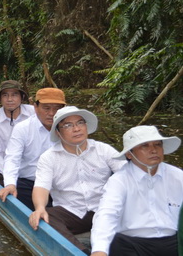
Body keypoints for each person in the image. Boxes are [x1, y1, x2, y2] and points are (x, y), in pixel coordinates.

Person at [28, 106, 125, 254]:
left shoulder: (103, 149)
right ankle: (80, 251)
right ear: (58, 133)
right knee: (47, 216)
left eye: (80, 123)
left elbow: (127, 174)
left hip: (104, 209)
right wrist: (39, 207)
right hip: (72, 212)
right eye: (68, 125)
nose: (76, 129)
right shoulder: (49, 157)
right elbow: (41, 186)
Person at [90, 125, 183, 256]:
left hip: (173, 242)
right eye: (145, 145)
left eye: (157, 145)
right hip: (132, 244)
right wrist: (99, 250)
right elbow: (107, 215)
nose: (153, 150)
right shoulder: (119, 180)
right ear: (129, 153)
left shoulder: (178, 176)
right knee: (116, 243)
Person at [0, 88, 65, 209]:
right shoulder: (23, 128)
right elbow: (12, 158)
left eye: (57, 109)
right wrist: (10, 184)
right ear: (36, 108)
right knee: (16, 190)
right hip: (30, 182)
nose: (52, 113)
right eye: (46, 108)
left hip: (60, 183)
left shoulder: (69, 127)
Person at [0, 80, 35, 185]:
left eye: (14, 95)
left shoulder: (34, 113)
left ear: (21, 97)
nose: (10, 99)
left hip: (34, 166)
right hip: (7, 168)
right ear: (0, 99)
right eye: (5, 95)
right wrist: (11, 176)